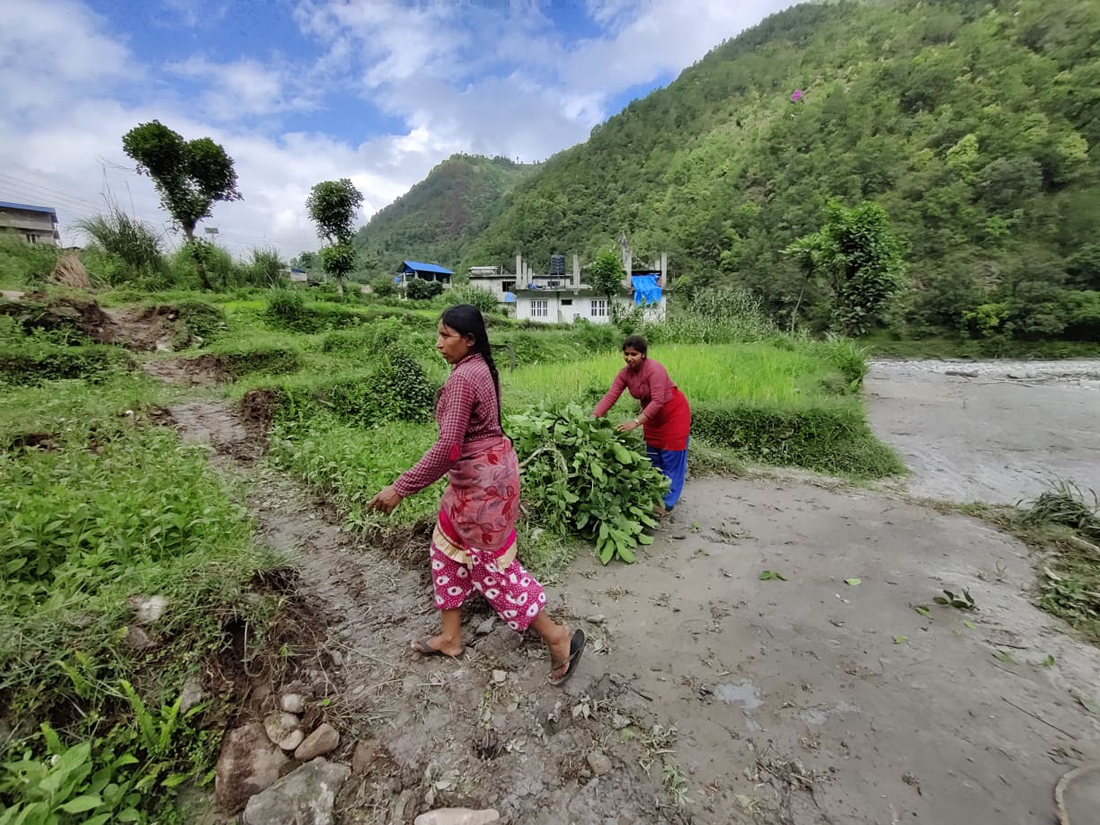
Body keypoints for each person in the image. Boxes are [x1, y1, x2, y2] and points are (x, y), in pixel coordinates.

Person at [368, 304, 585, 684]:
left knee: (492, 570)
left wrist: (400, 488)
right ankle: (452, 637)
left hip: (481, 489)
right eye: (438, 334)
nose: (438, 344)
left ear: (469, 340)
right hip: (480, 478)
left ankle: (557, 637)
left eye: (446, 336)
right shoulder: (480, 366)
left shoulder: (462, 380)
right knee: (444, 547)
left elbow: (448, 447)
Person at [592, 335, 692, 515]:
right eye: (626, 354)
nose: (629, 358)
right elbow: (610, 396)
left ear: (643, 354)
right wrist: (592, 417)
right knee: (654, 457)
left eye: (634, 354)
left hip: (673, 414)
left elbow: (658, 401)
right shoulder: (625, 373)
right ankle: (656, 494)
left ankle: (666, 503)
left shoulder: (655, 370)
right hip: (652, 418)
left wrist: (636, 422)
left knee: (671, 458)